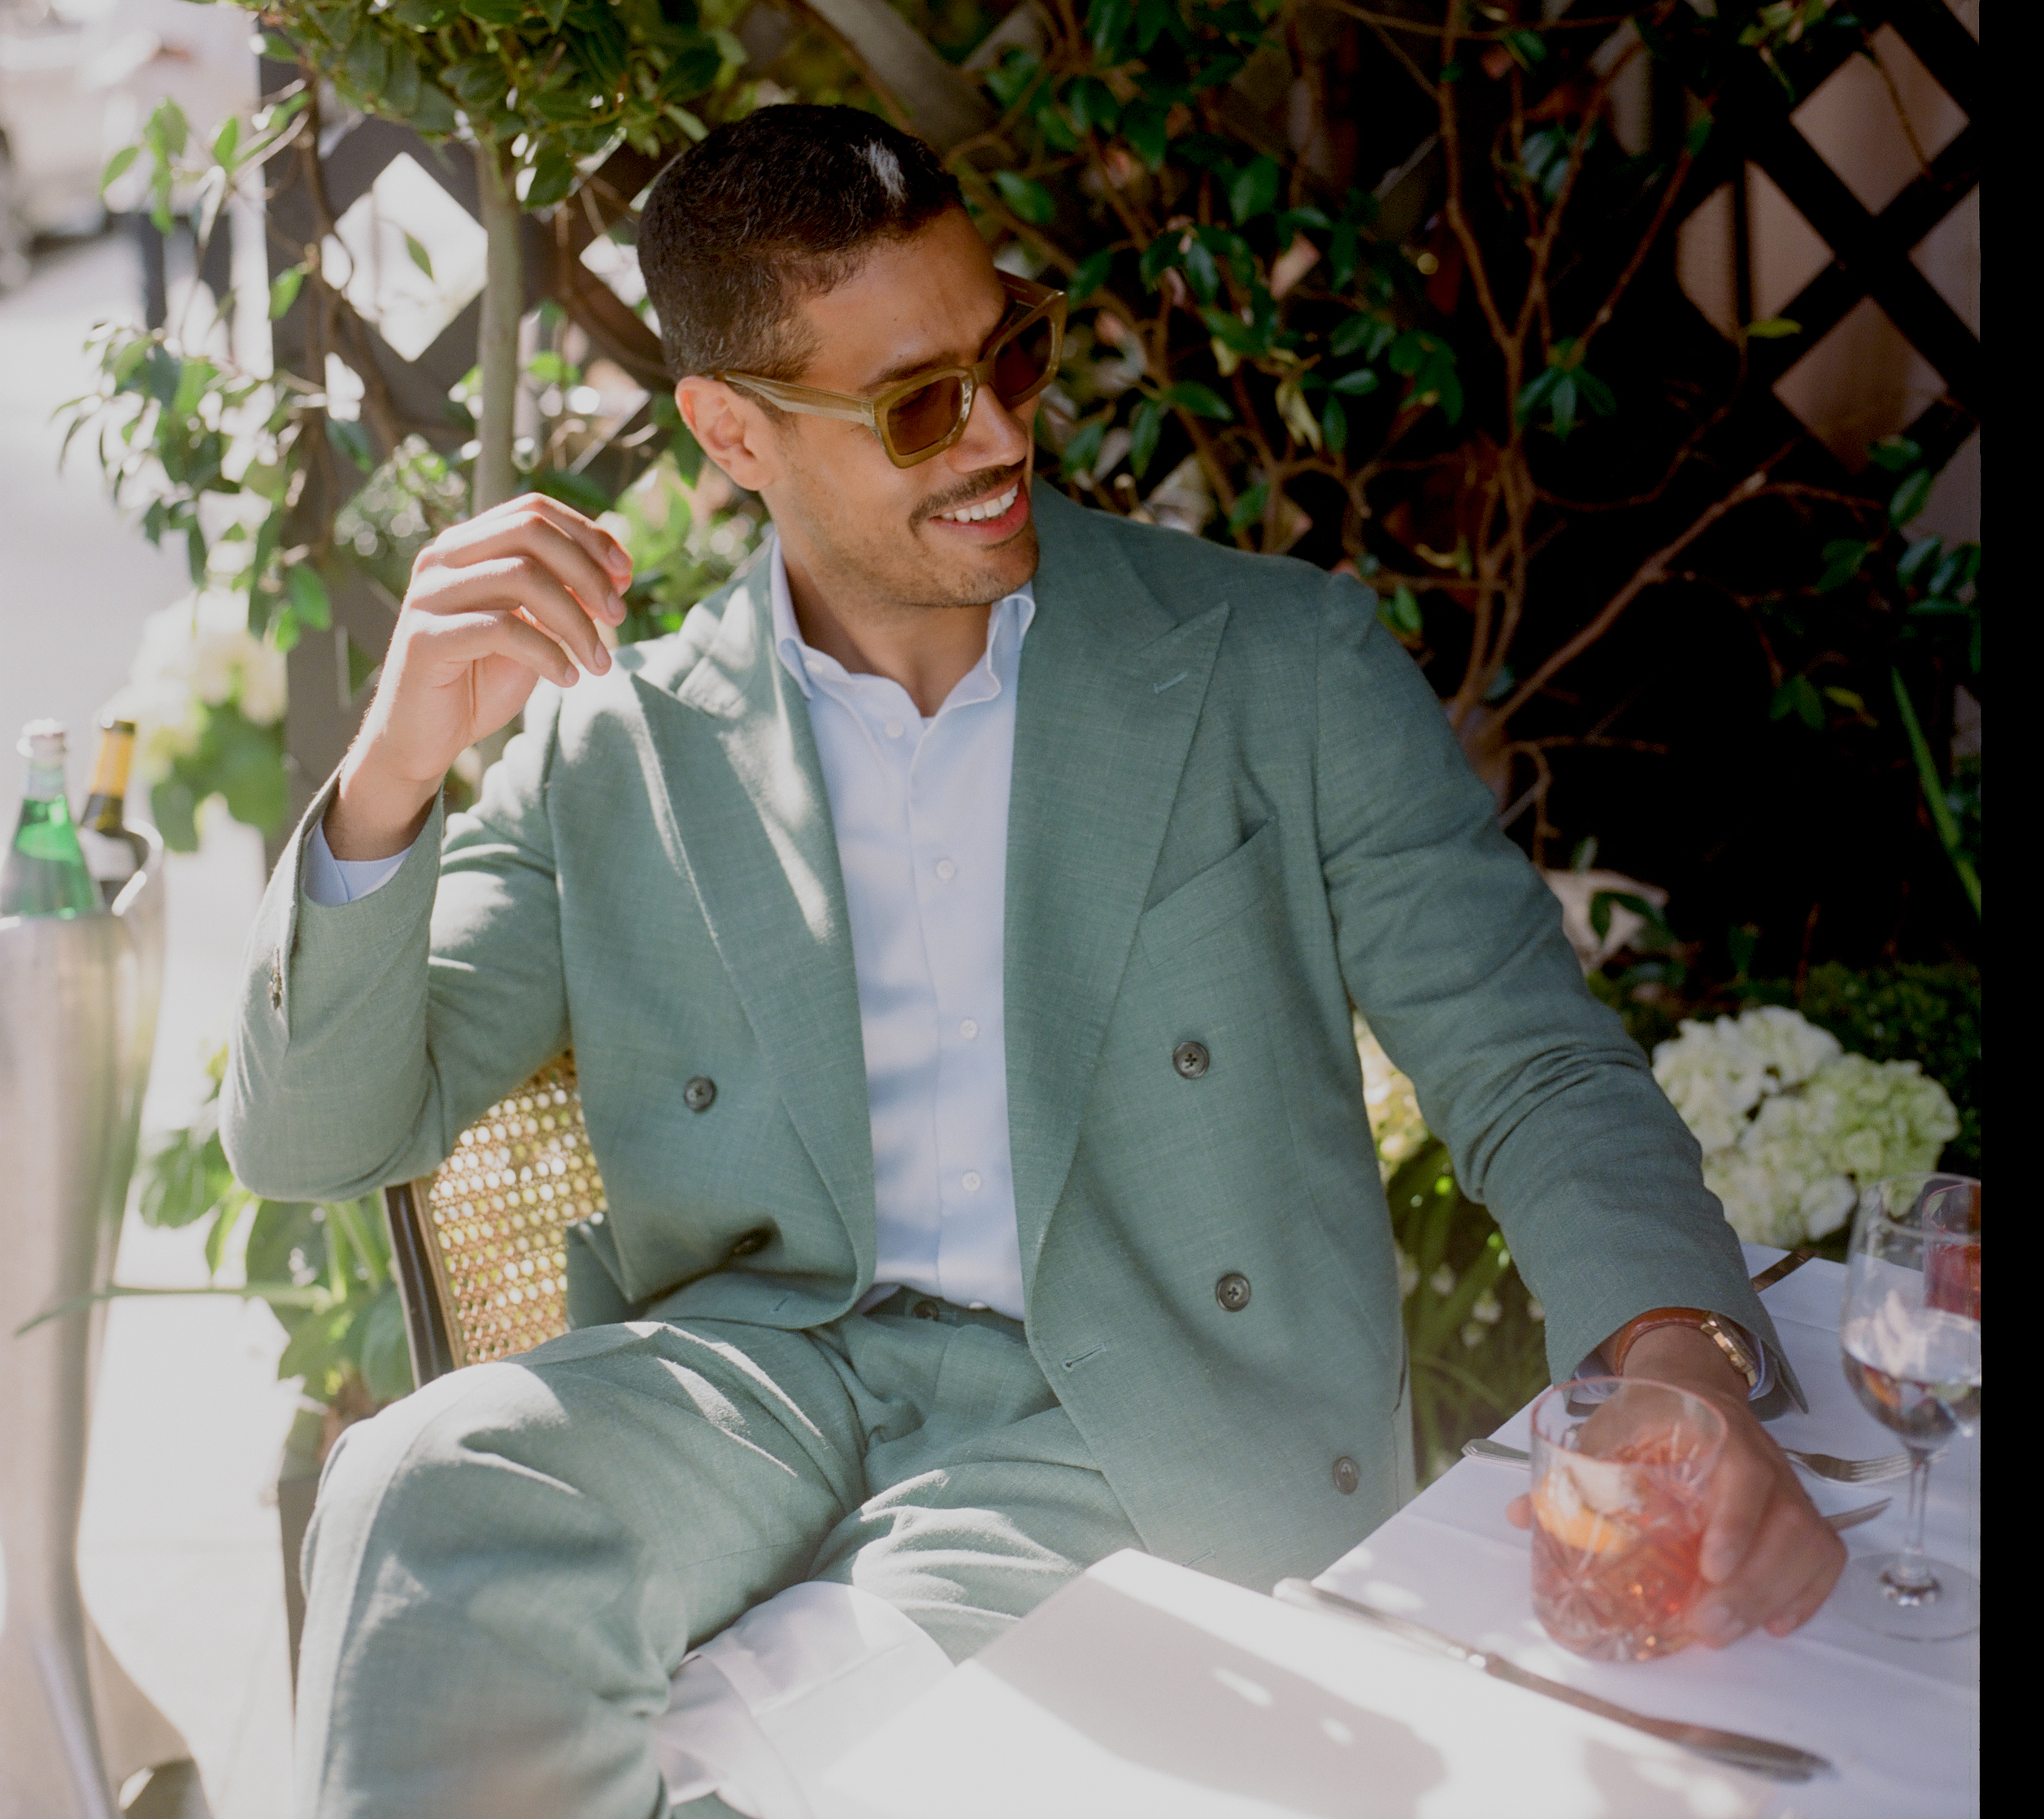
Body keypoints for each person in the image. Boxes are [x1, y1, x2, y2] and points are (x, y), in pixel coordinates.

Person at [224, 106, 1843, 1819]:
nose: (999, 432)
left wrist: (1678, 1361)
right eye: (918, 404)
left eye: (1011, 353)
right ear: (732, 430)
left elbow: (1528, 1058)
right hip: (763, 1385)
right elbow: (319, 1138)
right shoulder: (617, 747)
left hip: (1129, 1411)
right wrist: (396, 764)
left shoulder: (1275, 662)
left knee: (769, 1764)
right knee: (420, 1481)